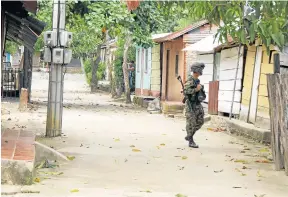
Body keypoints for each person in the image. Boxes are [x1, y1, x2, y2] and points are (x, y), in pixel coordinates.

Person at [184, 62, 205, 148]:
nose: (201, 72)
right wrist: (196, 89)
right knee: (191, 122)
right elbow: (186, 91)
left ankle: (189, 135)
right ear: (196, 70)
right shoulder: (190, 80)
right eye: (200, 70)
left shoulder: (197, 80)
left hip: (197, 104)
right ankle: (191, 140)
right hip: (190, 104)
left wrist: (201, 89)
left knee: (200, 121)